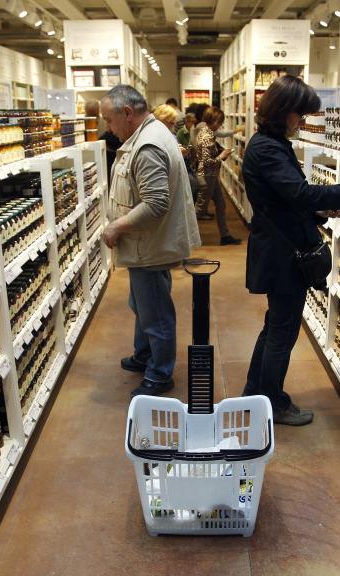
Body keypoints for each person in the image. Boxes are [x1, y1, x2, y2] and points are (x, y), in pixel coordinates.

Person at [241, 75, 340, 426]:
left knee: (275, 326)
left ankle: (255, 393)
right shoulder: (268, 148)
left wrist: (317, 211)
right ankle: (272, 403)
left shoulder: (270, 143)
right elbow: (300, 193)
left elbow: (285, 201)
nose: (301, 121)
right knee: (283, 331)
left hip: (280, 248)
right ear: (283, 111)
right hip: (283, 257)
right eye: (299, 114)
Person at [100, 85, 201, 398]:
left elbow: (156, 202)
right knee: (141, 303)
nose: (108, 127)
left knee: (155, 311)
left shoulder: (147, 146)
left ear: (128, 114)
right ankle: (144, 355)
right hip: (146, 243)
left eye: (109, 120)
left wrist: (117, 226)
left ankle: (160, 373)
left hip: (149, 244)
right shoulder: (150, 132)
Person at [193, 107, 241, 245]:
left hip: (210, 176)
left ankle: (225, 236)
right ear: (213, 121)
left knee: (221, 204)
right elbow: (208, 162)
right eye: (219, 121)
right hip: (207, 176)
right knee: (199, 211)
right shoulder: (207, 136)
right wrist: (222, 156)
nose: (220, 124)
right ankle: (183, 239)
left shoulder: (206, 131)